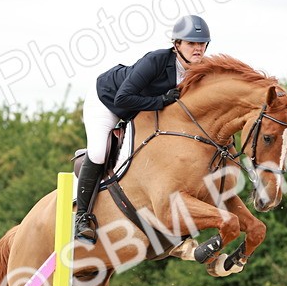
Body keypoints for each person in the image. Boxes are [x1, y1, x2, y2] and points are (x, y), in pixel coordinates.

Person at [74, 15, 211, 242]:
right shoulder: (156, 60)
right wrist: (161, 100)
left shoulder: (202, 70)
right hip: (107, 101)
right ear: (177, 44)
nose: (198, 49)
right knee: (98, 152)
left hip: (140, 111)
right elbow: (122, 98)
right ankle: (82, 218)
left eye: (202, 44)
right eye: (191, 43)